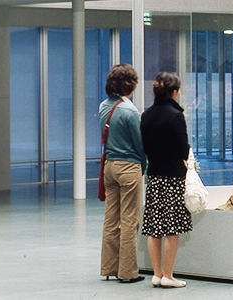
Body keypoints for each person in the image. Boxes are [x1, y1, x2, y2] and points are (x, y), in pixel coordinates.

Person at [140, 72, 192, 288]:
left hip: (154, 176)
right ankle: (169, 276)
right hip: (173, 177)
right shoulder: (175, 116)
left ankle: (157, 273)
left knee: (154, 227)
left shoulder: (146, 115)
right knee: (172, 228)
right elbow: (183, 148)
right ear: (173, 92)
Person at [99, 64, 147, 283]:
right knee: (130, 220)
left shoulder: (103, 107)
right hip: (128, 167)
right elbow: (140, 144)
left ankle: (109, 267)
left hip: (109, 166)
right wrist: (143, 166)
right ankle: (128, 272)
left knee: (111, 218)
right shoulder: (130, 111)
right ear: (131, 84)